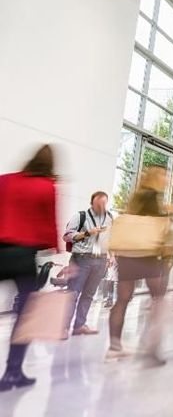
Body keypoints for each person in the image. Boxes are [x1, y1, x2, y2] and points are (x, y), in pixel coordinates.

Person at [0, 145, 60, 391]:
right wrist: (55, 249)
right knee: (25, 315)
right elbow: (50, 223)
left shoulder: (6, 181)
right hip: (23, 256)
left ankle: (16, 372)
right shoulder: (47, 186)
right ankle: (12, 373)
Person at [106, 165, 171, 365]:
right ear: (154, 177)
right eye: (163, 174)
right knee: (158, 299)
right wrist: (169, 212)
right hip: (146, 253)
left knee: (123, 298)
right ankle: (151, 349)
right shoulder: (152, 196)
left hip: (127, 253)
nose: (166, 178)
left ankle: (114, 347)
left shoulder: (136, 195)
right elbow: (156, 222)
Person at [62, 190, 113, 338]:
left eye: (104, 203)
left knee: (89, 294)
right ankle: (63, 328)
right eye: (99, 203)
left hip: (101, 259)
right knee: (73, 293)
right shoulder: (80, 216)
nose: (102, 206)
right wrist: (86, 233)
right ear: (92, 203)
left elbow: (110, 239)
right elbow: (66, 236)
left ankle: (79, 325)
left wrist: (111, 256)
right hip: (81, 259)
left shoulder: (110, 218)